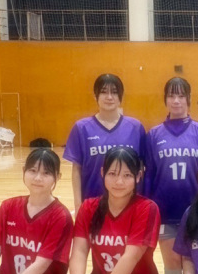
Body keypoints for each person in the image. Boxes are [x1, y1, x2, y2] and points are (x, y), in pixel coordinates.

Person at [144, 77, 198, 274]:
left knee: (195, 260)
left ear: (189, 99)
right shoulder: (154, 134)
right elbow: (149, 174)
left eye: (181, 96)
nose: (176, 101)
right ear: (165, 99)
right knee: (173, 262)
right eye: (171, 96)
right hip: (165, 211)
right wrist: (146, 208)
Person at [63, 73, 146, 214]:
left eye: (114, 92)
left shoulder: (135, 127)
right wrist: (78, 205)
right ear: (95, 96)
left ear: (121, 96)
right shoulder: (82, 128)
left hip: (129, 206)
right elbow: (76, 169)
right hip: (92, 204)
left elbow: (142, 168)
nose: (109, 97)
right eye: (103, 92)